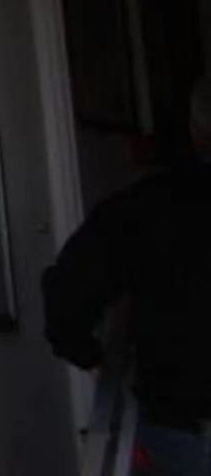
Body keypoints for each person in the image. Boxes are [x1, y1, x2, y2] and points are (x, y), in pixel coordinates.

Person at [45, 77, 211, 475]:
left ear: (196, 131)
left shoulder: (148, 208)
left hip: (184, 430)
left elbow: (66, 300)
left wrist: (93, 360)